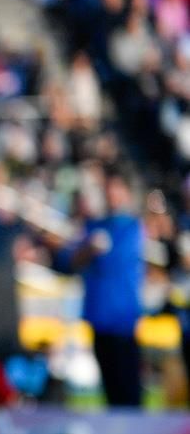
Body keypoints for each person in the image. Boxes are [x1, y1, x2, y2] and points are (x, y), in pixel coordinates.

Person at [64, 170, 148, 409]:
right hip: (99, 318)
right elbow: (69, 261)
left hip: (122, 320)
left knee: (128, 391)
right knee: (110, 391)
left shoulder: (132, 228)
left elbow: (116, 260)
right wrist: (87, 250)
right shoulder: (93, 226)